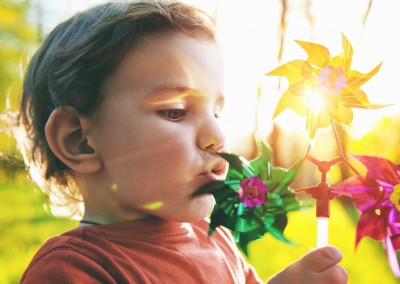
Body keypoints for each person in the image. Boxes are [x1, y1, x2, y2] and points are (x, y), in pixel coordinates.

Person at [18, 0, 348, 283]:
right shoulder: (74, 269)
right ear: (79, 141)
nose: (218, 137)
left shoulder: (217, 237)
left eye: (216, 114)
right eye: (176, 112)